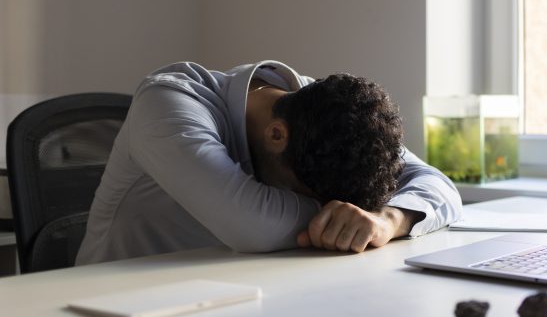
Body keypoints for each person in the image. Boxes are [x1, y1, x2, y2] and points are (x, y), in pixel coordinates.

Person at [76, 60, 462, 265]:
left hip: (231, 296)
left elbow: (440, 186)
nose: (341, 212)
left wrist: (386, 220)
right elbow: (250, 225)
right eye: (303, 193)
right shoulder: (168, 103)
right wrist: (339, 222)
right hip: (115, 313)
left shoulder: (323, 109)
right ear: (276, 135)